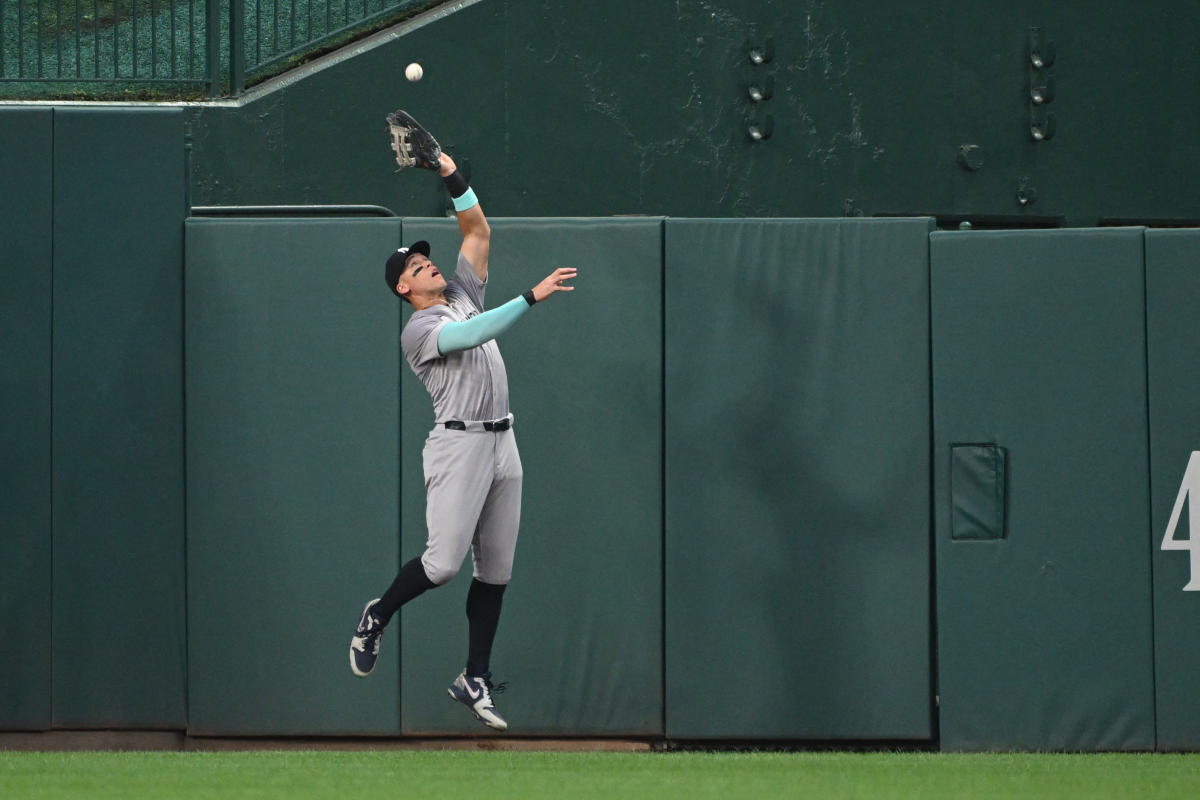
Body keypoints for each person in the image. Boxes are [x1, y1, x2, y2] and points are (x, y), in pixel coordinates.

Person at [349, 148, 577, 732]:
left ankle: (474, 676)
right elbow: (474, 334)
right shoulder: (421, 328)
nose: (428, 263)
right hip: (459, 445)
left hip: (504, 441)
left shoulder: (459, 292)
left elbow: (476, 231)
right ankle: (378, 613)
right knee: (444, 565)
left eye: (427, 258)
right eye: (417, 264)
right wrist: (530, 296)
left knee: (496, 569)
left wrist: (450, 173)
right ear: (404, 286)